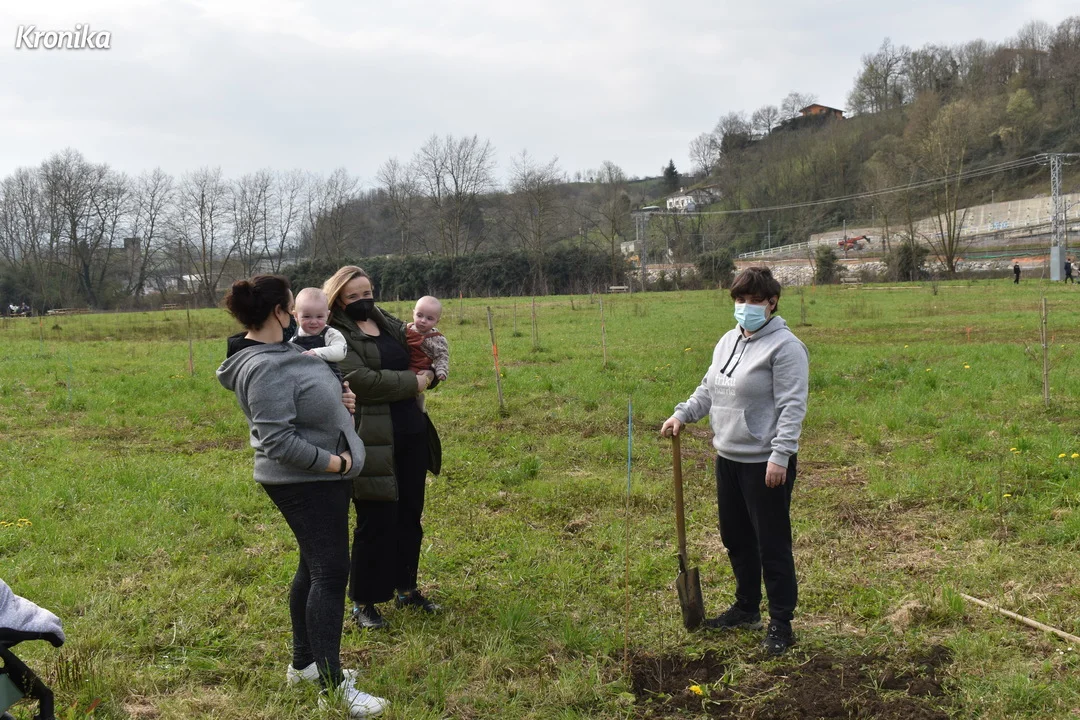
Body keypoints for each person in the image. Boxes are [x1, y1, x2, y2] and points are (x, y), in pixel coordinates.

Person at [217, 274, 387, 718]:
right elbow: (277, 440)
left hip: (318, 481)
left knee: (313, 568)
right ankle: (334, 688)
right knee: (330, 573)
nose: (296, 314)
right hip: (305, 482)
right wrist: (336, 464)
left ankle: (305, 665)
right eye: (291, 307)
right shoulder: (263, 366)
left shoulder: (284, 351)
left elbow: (305, 402)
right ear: (278, 312)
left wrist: (340, 402)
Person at [660, 266, 809, 656]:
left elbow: (793, 406)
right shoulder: (727, 341)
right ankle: (746, 609)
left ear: (772, 302)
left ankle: (781, 623)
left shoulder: (786, 347)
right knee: (737, 539)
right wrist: (682, 414)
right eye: (740, 300)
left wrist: (780, 455)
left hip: (765, 464)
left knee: (771, 544)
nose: (746, 307)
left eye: (755, 300)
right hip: (727, 456)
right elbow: (709, 388)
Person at [324, 266, 441, 631]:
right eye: (353, 296)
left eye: (367, 292)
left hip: (411, 431)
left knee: (409, 515)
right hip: (372, 437)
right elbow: (361, 381)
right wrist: (414, 382)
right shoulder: (337, 333)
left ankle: (406, 588)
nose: (363, 300)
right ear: (338, 300)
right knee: (375, 519)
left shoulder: (385, 320)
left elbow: (421, 351)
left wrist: (431, 372)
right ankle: (364, 601)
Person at [290, 287, 347, 380]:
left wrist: (316, 352)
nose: (313, 322)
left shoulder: (330, 334)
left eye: (319, 316)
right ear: (296, 316)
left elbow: (341, 351)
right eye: (307, 316)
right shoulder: (292, 336)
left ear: (327, 315)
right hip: (301, 379)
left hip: (329, 380)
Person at [406, 295, 450, 412]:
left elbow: (442, 356)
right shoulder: (406, 328)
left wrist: (441, 371)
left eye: (429, 318)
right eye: (419, 315)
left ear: (437, 321)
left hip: (419, 368)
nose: (423, 321)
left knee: (413, 386)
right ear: (413, 313)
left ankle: (417, 399)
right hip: (405, 363)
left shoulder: (437, 339)